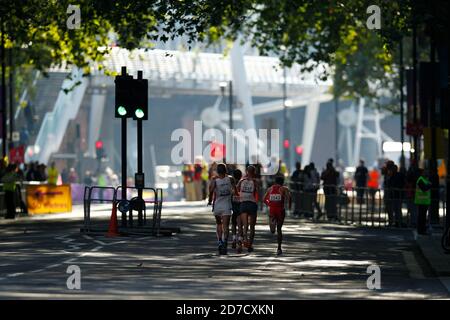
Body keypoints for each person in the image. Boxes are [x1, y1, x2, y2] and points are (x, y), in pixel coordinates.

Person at [208, 163, 236, 255]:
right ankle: (225, 242)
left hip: (217, 206)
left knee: (218, 224)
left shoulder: (214, 180)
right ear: (225, 170)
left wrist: (209, 201)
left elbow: (211, 190)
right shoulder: (231, 179)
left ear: (217, 171)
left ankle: (220, 241)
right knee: (226, 226)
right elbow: (235, 191)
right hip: (227, 205)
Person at [263, 175, 291, 255]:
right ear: (282, 182)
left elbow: (264, 199)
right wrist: (288, 206)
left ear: (275, 182)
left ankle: (279, 248)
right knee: (279, 229)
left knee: (272, 231)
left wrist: (270, 204)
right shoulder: (284, 189)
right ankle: (279, 248)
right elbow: (289, 197)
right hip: (280, 211)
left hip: (272, 210)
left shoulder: (270, 189)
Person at [237, 165, 259, 253]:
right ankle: (250, 244)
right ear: (254, 172)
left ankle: (244, 240)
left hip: (243, 203)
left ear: (246, 171)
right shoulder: (255, 181)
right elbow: (257, 192)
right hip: (252, 204)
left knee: (244, 225)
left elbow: (236, 189)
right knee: (252, 226)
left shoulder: (241, 181)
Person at [415, 168, 432, 235]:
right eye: (425, 172)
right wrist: (430, 185)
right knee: (421, 217)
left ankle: (422, 230)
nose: (426, 173)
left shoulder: (425, 180)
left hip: (424, 201)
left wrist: (429, 184)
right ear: (422, 173)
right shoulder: (420, 180)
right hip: (421, 201)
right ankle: (421, 230)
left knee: (423, 217)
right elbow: (424, 188)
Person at [230, 169, 243, 252]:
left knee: (234, 223)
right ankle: (240, 241)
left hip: (234, 205)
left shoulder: (232, 183)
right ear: (241, 175)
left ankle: (234, 238)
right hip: (241, 205)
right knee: (240, 224)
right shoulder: (243, 183)